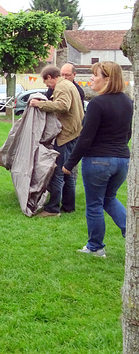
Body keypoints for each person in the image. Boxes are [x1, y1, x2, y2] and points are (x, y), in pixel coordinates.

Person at [63, 62, 132, 257]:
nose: (91, 78)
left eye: (95, 75)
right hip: (121, 161)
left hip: (98, 161)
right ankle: (133, 233)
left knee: (94, 203)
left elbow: (86, 138)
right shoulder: (128, 102)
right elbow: (128, 133)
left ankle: (95, 247)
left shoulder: (97, 103)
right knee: (109, 198)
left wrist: (69, 163)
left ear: (107, 79)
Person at [30, 65, 84, 217]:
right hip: (74, 133)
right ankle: (68, 206)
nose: (47, 86)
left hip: (66, 135)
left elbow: (63, 106)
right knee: (68, 172)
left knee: (58, 172)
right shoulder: (69, 85)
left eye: (46, 83)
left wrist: (39, 104)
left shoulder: (61, 87)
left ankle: (52, 209)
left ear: (50, 77)